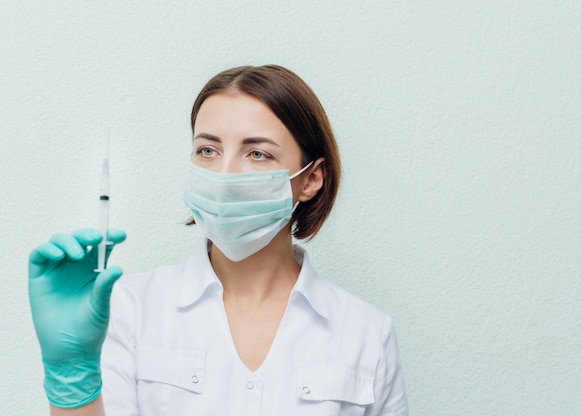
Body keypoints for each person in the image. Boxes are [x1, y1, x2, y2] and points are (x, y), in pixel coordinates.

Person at [28, 65, 408, 415]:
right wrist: (71, 378)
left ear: (310, 179)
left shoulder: (367, 335)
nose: (225, 175)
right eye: (208, 150)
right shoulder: (127, 310)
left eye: (257, 153)